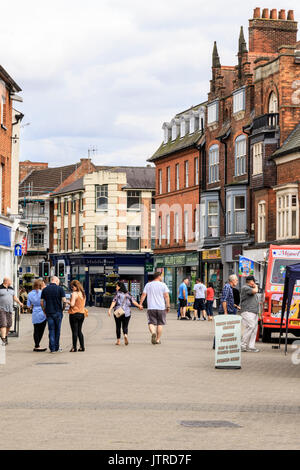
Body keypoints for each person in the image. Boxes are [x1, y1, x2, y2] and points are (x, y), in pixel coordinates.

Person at [139, 272, 170, 344]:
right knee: (160, 324)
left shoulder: (148, 285)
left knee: (151, 323)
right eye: (161, 276)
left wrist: (140, 304)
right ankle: (158, 340)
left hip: (151, 307)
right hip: (161, 308)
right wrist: (168, 306)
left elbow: (143, 295)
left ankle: (153, 332)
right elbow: (166, 296)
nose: (161, 278)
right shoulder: (163, 285)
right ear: (159, 276)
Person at [108, 281, 141, 346]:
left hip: (118, 311)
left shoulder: (117, 294)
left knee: (118, 326)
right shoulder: (128, 294)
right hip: (127, 312)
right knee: (125, 326)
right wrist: (139, 306)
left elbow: (114, 301)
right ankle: (125, 335)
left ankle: (118, 341)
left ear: (120, 287)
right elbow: (133, 301)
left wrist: (110, 309)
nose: (116, 288)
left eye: (117, 286)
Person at [40, 276, 66, 353]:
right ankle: (57, 347)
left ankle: (52, 348)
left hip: (49, 312)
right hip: (58, 312)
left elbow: (41, 302)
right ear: (56, 281)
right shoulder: (60, 289)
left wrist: (44, 310)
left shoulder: (45, 289)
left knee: (51, 330)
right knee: (57, 330)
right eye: (58, 281)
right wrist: (63, 309)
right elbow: (64, 301)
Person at [0, 277, 23, 346]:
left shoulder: (11, 288)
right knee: (3, 324)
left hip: (10, 309)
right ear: (6, 281)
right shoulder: (0, 288)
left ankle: (5, 336)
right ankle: (3, 339)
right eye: (10, 281)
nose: (11, 282)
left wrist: (19, 303)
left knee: (9, 324)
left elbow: (14, 297)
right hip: (1, 309)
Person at [240, 275, 260, 353]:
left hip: (254, 311)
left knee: (254, 329)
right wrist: (256, 287)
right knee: (251, 326)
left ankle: (251, 346)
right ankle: (243, 345)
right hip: (247, 311)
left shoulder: (251, 288)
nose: (254, 283)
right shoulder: (245, 288)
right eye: (253, 281)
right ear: (251, 281)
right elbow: (255, 291)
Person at [27, 279, 47, 352]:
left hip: (35, 312)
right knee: (41, 330)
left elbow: (28, 306)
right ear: (40, 285)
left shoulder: (29, 294)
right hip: (43, 312)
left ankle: (37, 345)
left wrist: (33, 304)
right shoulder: (43, 292)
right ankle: (37, 345)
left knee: (36, 330)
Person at [67, 280, 87, 352]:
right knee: (79, 331)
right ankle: (82, 347)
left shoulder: (74, 294)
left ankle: (74, 347)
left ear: (76, 286)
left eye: (72, 287)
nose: (72, 288)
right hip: (82, 314)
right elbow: (84, 304)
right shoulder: (83, 293)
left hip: (74, 314)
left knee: (74, 331)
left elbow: (72, 304)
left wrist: (67, 302)